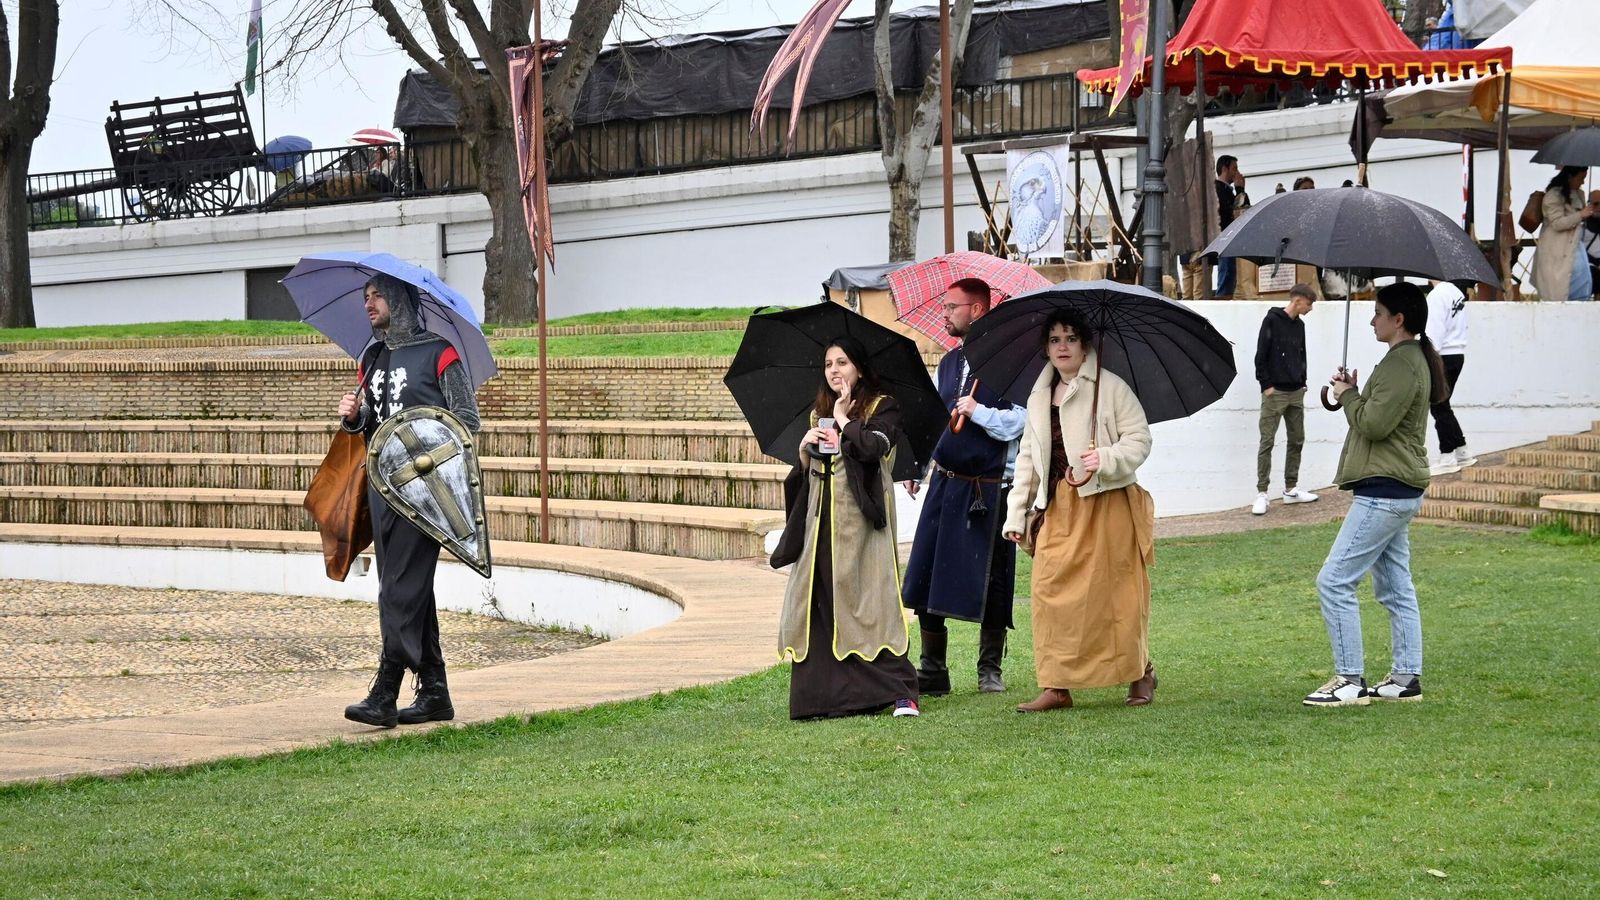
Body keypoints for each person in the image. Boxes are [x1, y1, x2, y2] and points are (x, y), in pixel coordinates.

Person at [339, 274, 481, 728]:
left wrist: (421, 444)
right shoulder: (373, 356)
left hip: (426, 494)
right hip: (383, 493)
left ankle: (385, 691)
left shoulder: (440, 353)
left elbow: (466, 421)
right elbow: (371, 428)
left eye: (377, 295)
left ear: (399, 298)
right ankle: (435, 692)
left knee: (399, 588)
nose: (369, 303)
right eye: (365, 297)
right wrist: (355, 417)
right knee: (409, 588)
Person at [1002, 309, 1155, 713]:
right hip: (1058, 505)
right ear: (1046, 348)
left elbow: (1139, 440)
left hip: (1107, 503)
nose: (1063, 346)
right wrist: (1016, 515)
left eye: (1070, 338)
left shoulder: (1111, 387)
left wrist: (1103, 457)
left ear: (1085, 344)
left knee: (1118, 595)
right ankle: (1057, 684)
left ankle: (1141, 671)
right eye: (1054, 340)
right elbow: (1028, 457)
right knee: (1048, 592)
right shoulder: (1038, 397)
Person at [1305, 282, 1446, 707]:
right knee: (1394, 585)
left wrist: (1348, 395)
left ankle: (1349, 680)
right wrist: (1351, 394)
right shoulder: (1405, 360)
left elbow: (1374, 425)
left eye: (1378, 312)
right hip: (1395, 487)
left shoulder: (1404, 364)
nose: (1371, 319)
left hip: (1386, 490)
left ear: (1398, 320)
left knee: (1333, 580)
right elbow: (1374, 414)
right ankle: (1405, 678)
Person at [770, 337, 920, 720]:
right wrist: (804, 452)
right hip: (822, 526)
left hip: (863, 526)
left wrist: (843, 420)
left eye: (843, 362)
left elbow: (871, 450)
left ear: (859, 368)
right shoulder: (816, 413)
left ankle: (901, 693)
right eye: (828, 364)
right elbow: (811, 476)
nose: (834, 371)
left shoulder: (882, 406)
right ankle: (826, 698)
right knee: (820, 603)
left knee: (872, 600)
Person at [901, 279, 1026, 695]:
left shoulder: (1012, 364)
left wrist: (979, 412)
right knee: (926, 574)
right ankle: (933, 669)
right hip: (946, 483)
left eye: (952, 307)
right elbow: (937, 421)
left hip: (990, 487)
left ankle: (989, 670)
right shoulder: (950, 363)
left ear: (976, 310)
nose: (945, 313)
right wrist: (918, 466)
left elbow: (1020, 423)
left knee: (992, 579)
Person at [1252, 283, 1320, 515]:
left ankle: (1291, 488)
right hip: (1275, 392)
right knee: (1267, 442)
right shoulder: (1271, 320)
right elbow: (1261, 354)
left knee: (1297, 439)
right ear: (1298, 300)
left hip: (1296, 391)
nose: (1310, 309)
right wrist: (1266, 385)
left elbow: (1302, 353)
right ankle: (1262, 493)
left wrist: (1302, 380)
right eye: (1309, 304)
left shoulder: (1299, 326)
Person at [1425, 280, 1476, 474]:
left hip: (1442, 355)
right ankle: (1462, 451)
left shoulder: (1437, 296)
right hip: (1457, 353)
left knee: (1438, 405)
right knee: (1443, 404)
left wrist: (1430, 357)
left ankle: (1447, 455)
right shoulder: (1455, 292)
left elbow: (1434, 330)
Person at [1531, 166, 1600, 301]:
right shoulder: (1553, 195)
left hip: (1574, 247)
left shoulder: (1579, 193)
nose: (1583, 182)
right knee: (1557, 288)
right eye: (1581, 178)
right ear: (1570, 177)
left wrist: (1589, 213)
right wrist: (1581, 214)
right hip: (1557, 248)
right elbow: (1557, 223)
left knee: (1583, 281)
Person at [1215, 155, 1246, 299]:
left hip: (1231, 239)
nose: (1237, 172)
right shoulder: (1219, 190)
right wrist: (1239, 190)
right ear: (1224, 169)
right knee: (1226, 274)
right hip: (1225, 238)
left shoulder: (1227, 190)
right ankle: (1223, 299)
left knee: (1231, 275)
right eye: (1234, 168)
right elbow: (1237, 210)